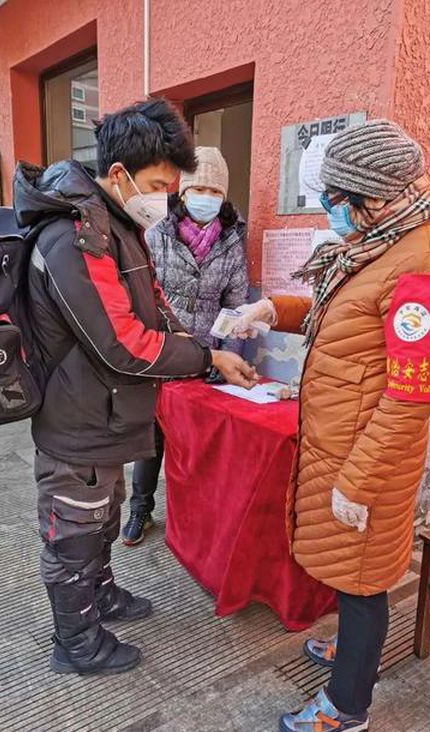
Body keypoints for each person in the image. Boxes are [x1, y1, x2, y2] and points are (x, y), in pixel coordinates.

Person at [234, 120, 430, 732]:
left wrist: (358, 481)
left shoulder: (423, 266)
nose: (331, 210)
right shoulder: (386, 241)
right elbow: (346, 316)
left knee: (363, 580)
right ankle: (352, 656)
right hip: (342, 444)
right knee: (350, 571)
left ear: (376, 195)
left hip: (368, 458)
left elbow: (411, 391)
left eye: (338, 199)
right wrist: (273, 309)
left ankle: (346, 707)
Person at [14, 99, 257, 676]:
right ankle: (76, 643)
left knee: (104, 511)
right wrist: (206, 357)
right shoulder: (75, 236)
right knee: (75, 526)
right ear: (119, 174)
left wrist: (207, 345)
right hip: (77, 416)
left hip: (108, 412)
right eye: (156, 184)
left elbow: (155, 309)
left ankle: (102, 596)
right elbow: (122, 342)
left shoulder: (116, 224)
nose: (164, 199)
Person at [122, 146, 249, 545]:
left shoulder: (232, 242)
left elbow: (237, 305)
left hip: (209, 352)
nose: (206, 198)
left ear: (223, 197)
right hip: (164, 348)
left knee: (197, 442)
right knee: (152, 434)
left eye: (214, 191)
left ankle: (192, 520)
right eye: (199, 189)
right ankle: (140, 508)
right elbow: (143, 295)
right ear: (183, 192)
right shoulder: (157, 234)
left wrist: (228, 353)